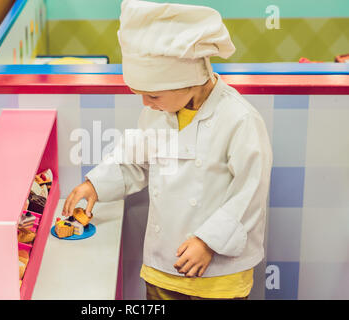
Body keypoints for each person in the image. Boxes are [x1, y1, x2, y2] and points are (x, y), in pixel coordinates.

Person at [62, 0, 273, 300]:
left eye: (153, 94)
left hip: (219, 278)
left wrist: (208, 242)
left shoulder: (239, 120)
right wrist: (95, 184)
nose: (145, 103)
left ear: (190, 82)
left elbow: (250, 193)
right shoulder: (156, 114)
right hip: (162, 270)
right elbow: (136, 162)